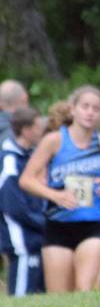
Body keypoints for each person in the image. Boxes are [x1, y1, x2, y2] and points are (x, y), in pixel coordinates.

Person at [19, 85, 100, 293]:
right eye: (85, 107)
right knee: (60, 296)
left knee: (84, 290)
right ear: (73, 109)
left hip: (92, 225)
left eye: (96, 109)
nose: (90, 112)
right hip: (58, 225)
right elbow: (26, 180)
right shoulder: (54, 141)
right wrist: (55, 195)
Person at [1, 106, 47, 295]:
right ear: (26, 130)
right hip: (20, 238)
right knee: (22, 295)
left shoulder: (30, 157)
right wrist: (41, 222)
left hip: (34, 235)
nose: (41, 131)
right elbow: (12, 206)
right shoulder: (10, 161)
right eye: (37, 127)